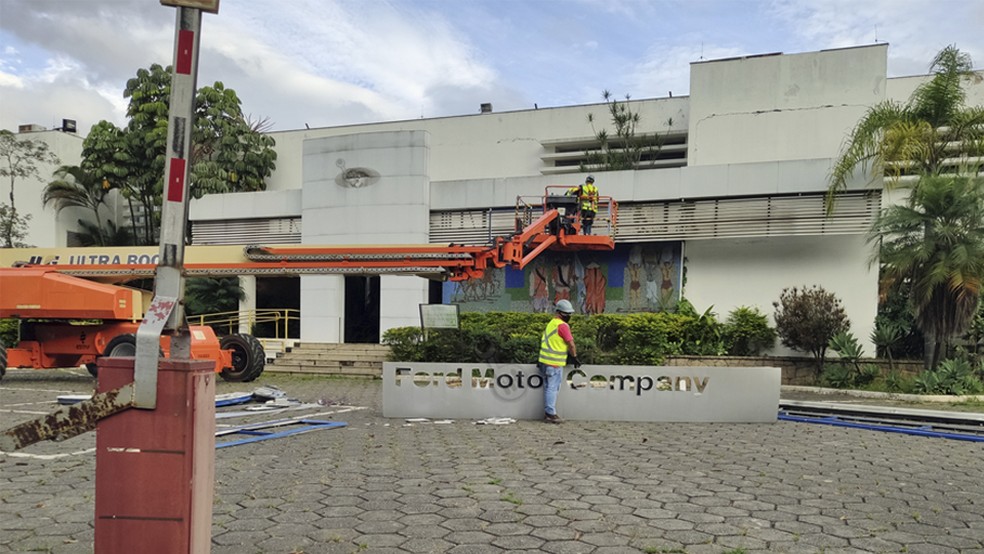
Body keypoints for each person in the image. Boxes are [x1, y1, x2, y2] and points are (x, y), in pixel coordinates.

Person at [537, 299, 580, 424]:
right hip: (554, 363)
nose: (569, 316)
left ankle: (548, 412)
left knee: (547, 387)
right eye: (567, 314)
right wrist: (575, 356)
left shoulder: (551, 323)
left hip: (544, 361)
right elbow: (571, 344)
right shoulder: (562, 326)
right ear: (560, 313)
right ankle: (551, 414)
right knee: (553, 388)